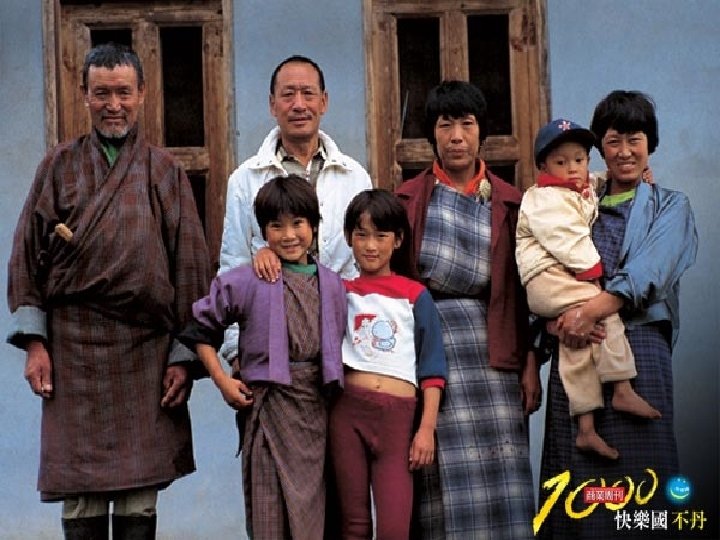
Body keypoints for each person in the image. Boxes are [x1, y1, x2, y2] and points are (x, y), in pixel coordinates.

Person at [6, 43, 211, 539]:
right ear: (84, 95)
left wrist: (184, 357)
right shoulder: (58, 166)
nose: (113, 105)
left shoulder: (164, 171)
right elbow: (25, 258)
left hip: (145, 353)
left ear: (142, 94)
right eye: (101, 93)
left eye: (123, 92)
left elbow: (190, 267)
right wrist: (35, 344)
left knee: (140, 493)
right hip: (72, 350)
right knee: (81, 494)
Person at [537, 91, 698, 539]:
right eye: (613, 141)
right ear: (599, 149)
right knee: (577, 485)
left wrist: (587, 313)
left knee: (642, 477)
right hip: (575, 348)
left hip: (640, 356)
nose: (624, 151)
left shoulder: (671, 206)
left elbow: (650, 272)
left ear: (651, 143)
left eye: (634, 139)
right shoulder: (575, 204)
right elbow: (543, 263)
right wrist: (556, 322)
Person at [395, 80, 540, 540]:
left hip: (496, 353)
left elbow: (527, 291)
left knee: (505, 474)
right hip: (432, 353)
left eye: (467, 124)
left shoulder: (513, 204)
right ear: (432, 134)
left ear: (482, 132)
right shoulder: (406, 201)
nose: (456, 136)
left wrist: (530, 364)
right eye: (445, 125)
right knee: (439, 478)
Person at [179, 174, 347, 540]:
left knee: (317, 520)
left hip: (317, 415)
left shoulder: (333, 285)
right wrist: (223, 381)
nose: (289, 235)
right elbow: (198, 330)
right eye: (276, 226)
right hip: (267, 410)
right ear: (262, 232)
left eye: (298, 223)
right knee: (269, 518)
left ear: (314, 226)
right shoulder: (249, 279)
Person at [516, 119, 661, 460]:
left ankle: (585, 426)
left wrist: (623, 176)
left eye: (579, 160)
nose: (572, 169)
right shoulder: (545, 198)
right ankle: (621, 386)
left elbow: (594, 184)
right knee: (602, 309)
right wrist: (592, 275)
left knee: (577, 342)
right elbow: (568, 240)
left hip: (556, 281)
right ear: (543, 167)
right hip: (548, 278)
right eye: (561, 162)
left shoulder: (575, 187)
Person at [329, 189, 448, 539]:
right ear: (348, 237)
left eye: (380, 236)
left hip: (397, 421)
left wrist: (426, 429)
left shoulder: (415, 295)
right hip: (347, 415)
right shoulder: (339, 291)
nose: (370, 246)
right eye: (361, 234)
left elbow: (432, 369)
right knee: (354, 525)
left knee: (395, 527)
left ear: (397, 240)